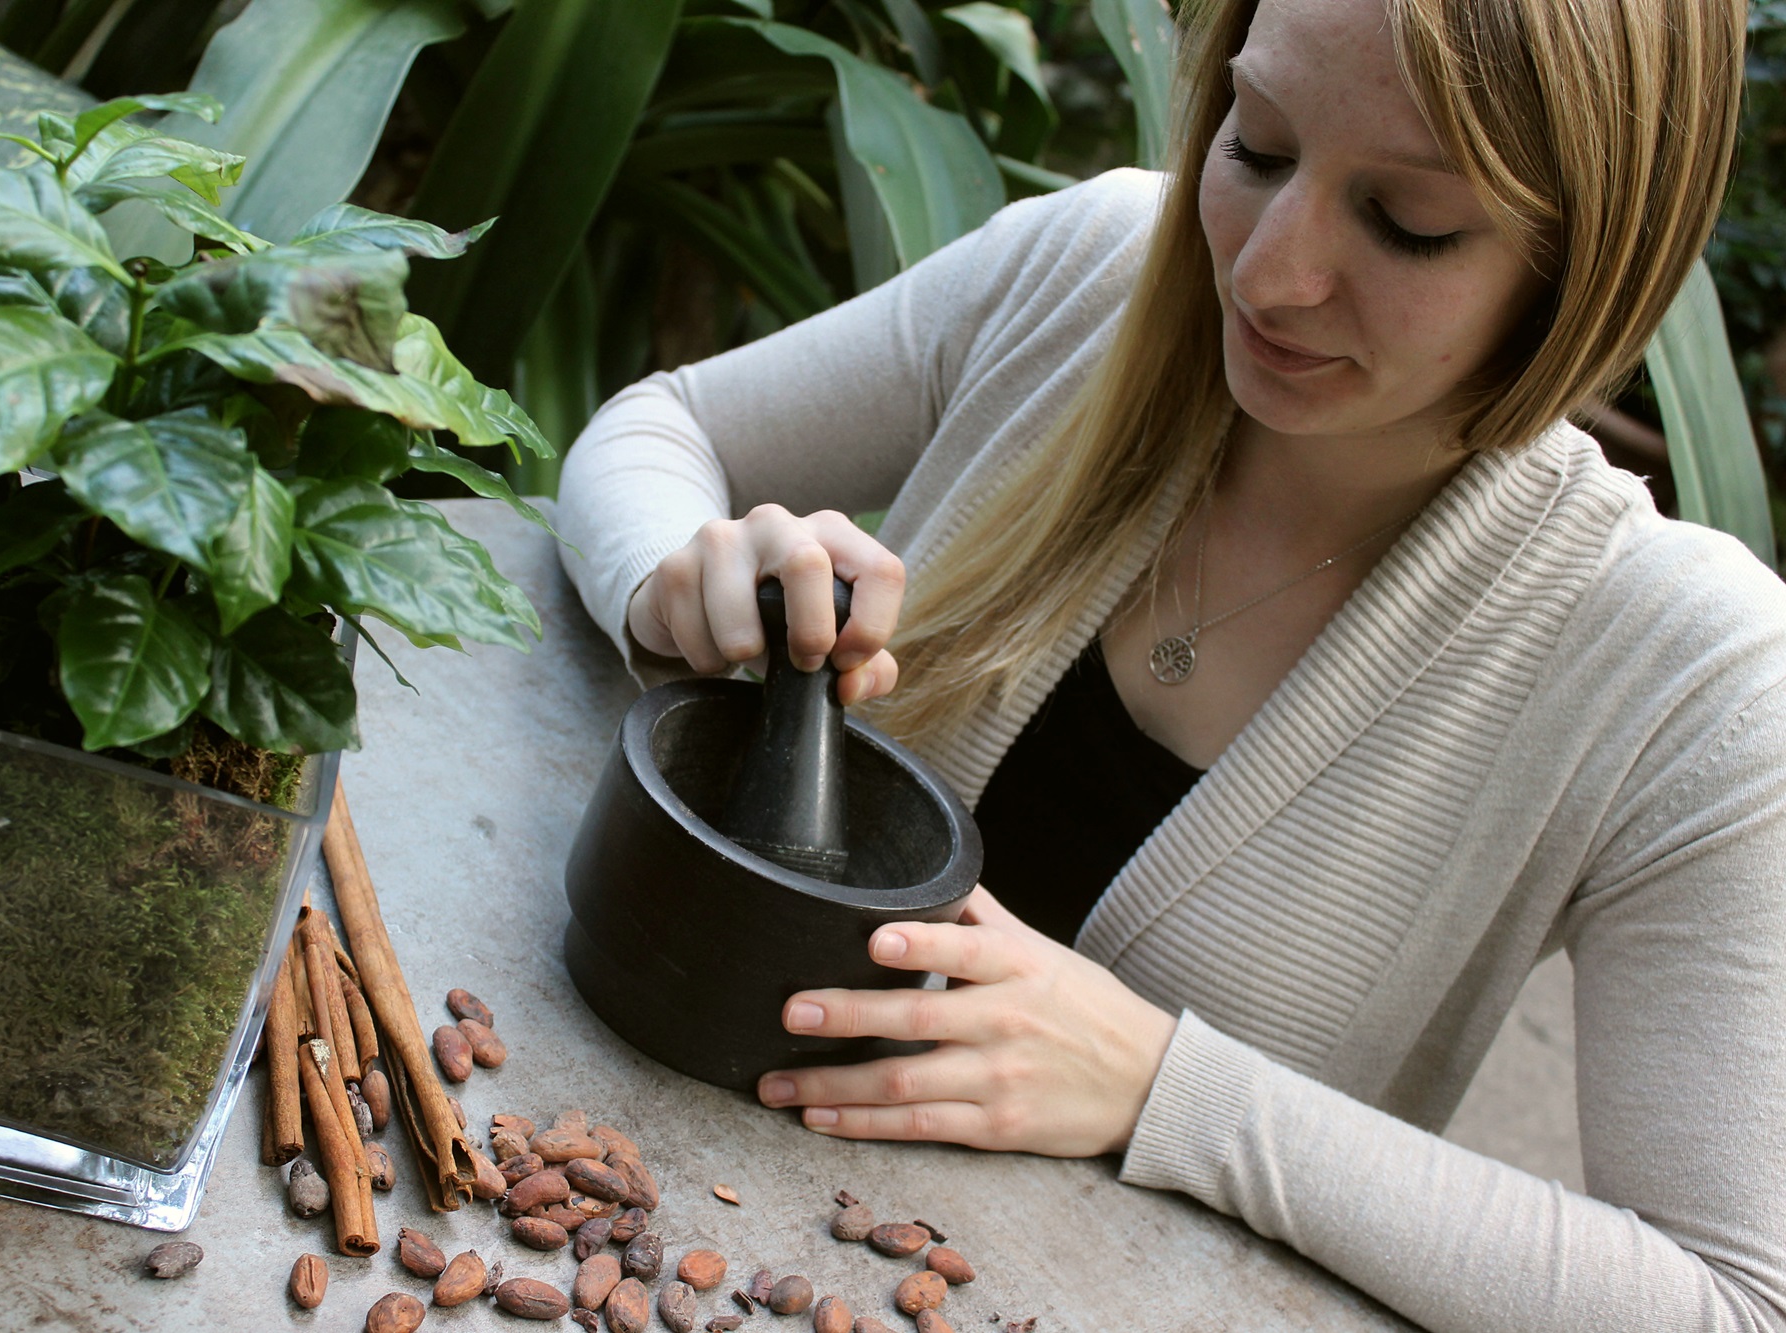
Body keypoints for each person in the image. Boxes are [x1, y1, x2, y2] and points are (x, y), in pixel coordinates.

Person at [554, 0, 1786, 1325]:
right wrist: (684, 575)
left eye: (1409, 223)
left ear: (1590, 258)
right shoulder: (1097, 272)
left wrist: (1167, 1088)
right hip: (658, 1218)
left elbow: (1727, 1297)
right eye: (1256, 145)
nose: (1267, 273)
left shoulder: (1693, 675)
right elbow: (657, 429)